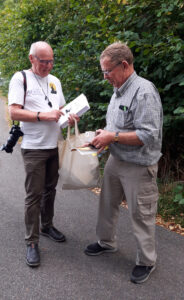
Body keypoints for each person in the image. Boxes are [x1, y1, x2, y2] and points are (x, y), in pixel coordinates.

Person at [84, 42, 163, 284]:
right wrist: (104, 134)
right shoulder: (118, 89)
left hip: (139, 166)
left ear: (124, 65)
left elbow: (149, 135)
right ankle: (106, 243)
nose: (105, 77)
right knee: (107, 205)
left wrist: (113, 137)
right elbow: (118, 126)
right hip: (116, 160)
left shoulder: (144, 92)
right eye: (103, 72)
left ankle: (146, 261)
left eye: (107, 71)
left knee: (142, 215)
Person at [8, 41, 78, 267]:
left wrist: (71, 116)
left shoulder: (55, 81)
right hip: (34, 148)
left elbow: (62, 110)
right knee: (34, 195)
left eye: (51, 60)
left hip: (54, 146)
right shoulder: (21, 79)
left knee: (50, 190)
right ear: (31, 59)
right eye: (43, 61)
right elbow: (14, 111)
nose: (48, 65)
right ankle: (31, 241)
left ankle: (47, 226)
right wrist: (42, 116)